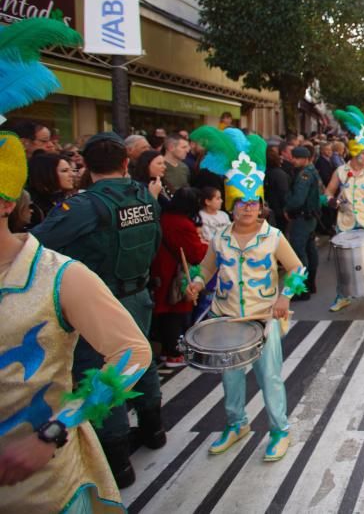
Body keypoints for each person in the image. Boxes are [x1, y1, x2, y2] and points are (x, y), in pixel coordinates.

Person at [32, 132, 166, 488]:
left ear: (85, 168)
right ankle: (155, 430)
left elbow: (35, 245)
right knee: (143, 358)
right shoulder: (145, 196)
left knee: (104, 372)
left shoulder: (84, 206)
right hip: (139, 292)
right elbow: (156, 242)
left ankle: (118, 462)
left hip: (103, 300)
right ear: (126, 163)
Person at [184, 126, 307, 463]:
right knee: (231, 381)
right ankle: (237, 424)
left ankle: (279, 430)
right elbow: (206, 269)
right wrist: (195, 283)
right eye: (242, 203)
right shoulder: (220, 237)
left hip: (263, 320)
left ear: (261, 205)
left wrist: (284, 298)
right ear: (232, 204)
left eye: (254, 202)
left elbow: (297, 270)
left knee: (270, 379)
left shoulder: (272, 237)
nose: (248, 208)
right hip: (226, 320)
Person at [325, 106, 364, 310]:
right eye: (363, 153)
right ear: (354, 154)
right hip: (346, 222)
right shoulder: (341, 172)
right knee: (343, 262)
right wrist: (332, 202)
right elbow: (327, 193)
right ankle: (343, 295)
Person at [150, 187, 207, 367]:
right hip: (176, 273)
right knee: (176, 310)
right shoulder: (183, 224)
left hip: (160, 268)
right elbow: (196, 254)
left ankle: (167, 350)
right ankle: (174, 352)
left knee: (165, 311)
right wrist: (208, 247)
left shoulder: (164, 218)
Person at [285, 146, 322, 300]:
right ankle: (311, 284)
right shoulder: (313, 171)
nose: (293, 160)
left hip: (302, 218)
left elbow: (298, 199)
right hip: (310, 217)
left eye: (295, 158)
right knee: (310, 250)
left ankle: (301, 289)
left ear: (304, 159)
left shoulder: (304, 175)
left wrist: (287, 207)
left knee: (299, 253)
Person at [25, 152, 76, 230]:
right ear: (47, 173)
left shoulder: (64, 198)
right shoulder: (31, 205)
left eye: (72, 170)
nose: (72, 174)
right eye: (65, 171)